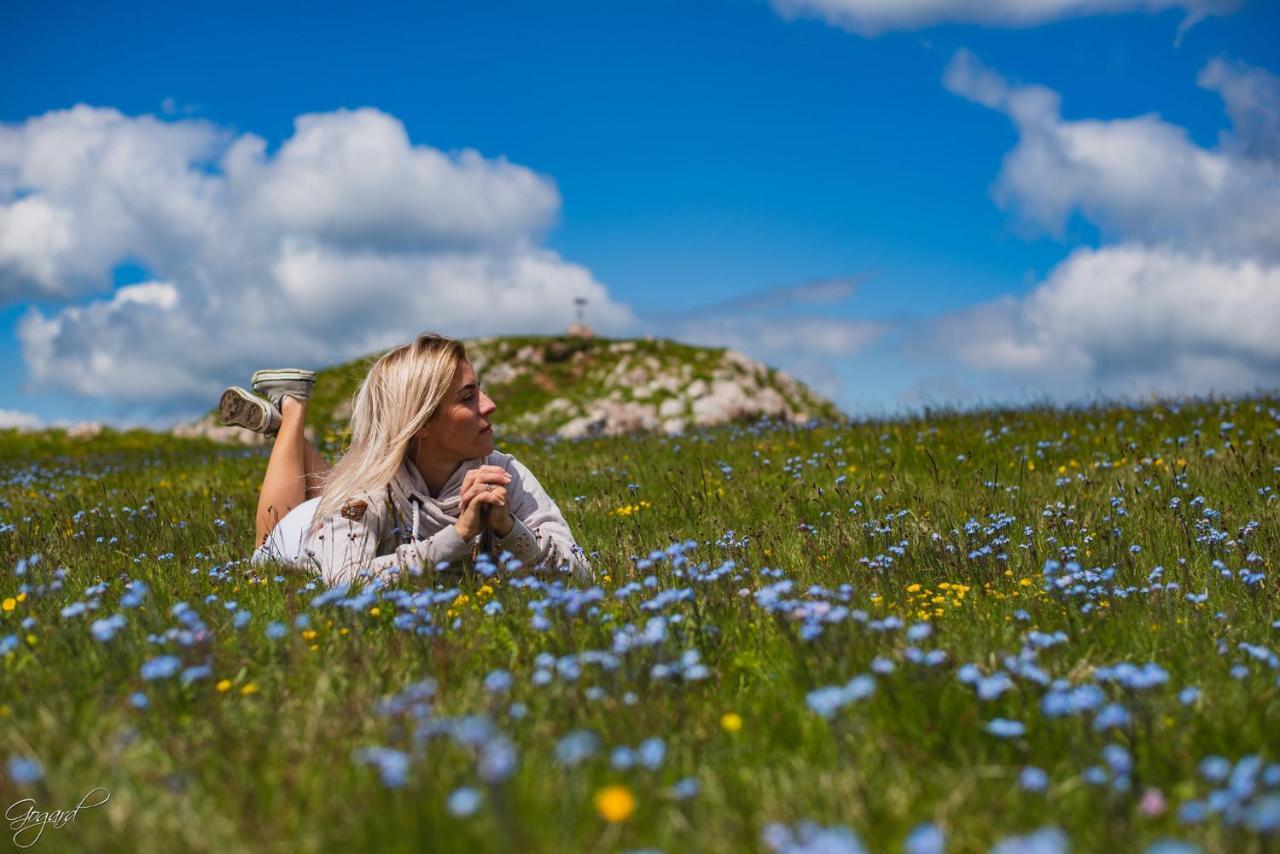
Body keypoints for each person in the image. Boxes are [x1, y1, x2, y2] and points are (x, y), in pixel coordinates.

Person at [217, 332, 591, 586]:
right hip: (307, 538)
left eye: (481, 391)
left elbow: (582, 573)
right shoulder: (366, 490)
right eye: (467, 398)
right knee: (272, 536)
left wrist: (509, 528)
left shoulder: (503, 473)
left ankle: (283, 424)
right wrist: (458, 536)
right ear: (421, 422)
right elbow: (343, 578)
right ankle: (292, 412)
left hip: (354, 495)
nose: (490, 406)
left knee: (337, 487)